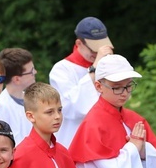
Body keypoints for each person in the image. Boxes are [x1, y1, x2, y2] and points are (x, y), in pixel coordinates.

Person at [49, 16, 114, 147]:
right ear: (79, 44)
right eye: (93, 49)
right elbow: (72, 107)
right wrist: (94, 69)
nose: (97, 53)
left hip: (104, 136)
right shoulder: (61, 69)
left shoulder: (106, 65)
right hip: (73, 139)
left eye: (101, 48)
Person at [0, 47, 37, 144]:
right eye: (31, 71)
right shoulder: (1, 110)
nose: (35, 72)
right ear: (17, 79)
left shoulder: (35, 99)